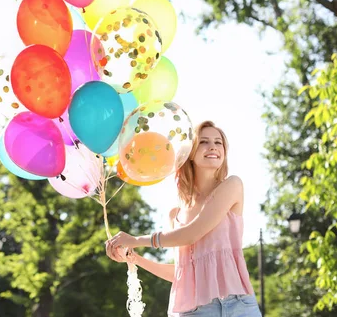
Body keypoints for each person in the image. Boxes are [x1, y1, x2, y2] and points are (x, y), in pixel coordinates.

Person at [106, 120, 262, 316]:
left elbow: (191, 234)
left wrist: (136, 240)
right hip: (194, 311)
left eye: (218, 142)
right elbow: (182, 273)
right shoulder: (175, 215)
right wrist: (134, 258)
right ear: (191, 153)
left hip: (239, 305)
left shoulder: (232, 186)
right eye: (204, 142)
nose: (213, 146)